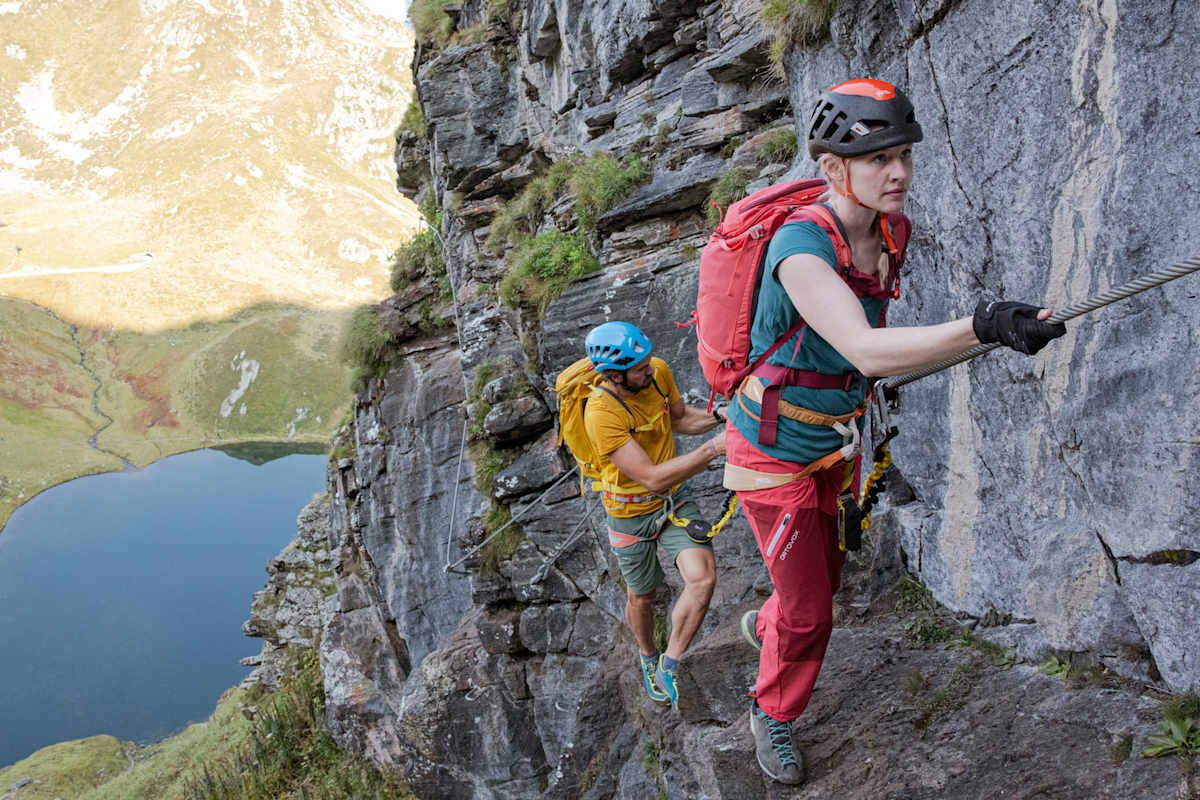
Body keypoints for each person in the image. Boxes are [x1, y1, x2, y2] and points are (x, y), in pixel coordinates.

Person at [724, 79, 1067, 785]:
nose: (900, 172)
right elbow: (866, 349)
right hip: (773, 451)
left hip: (833, 440)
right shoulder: (799, 248)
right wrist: (984, 325)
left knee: (827, 576)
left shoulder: (887, 232)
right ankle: (771, 708)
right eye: (880, 158)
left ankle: (769, 625)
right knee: (812, 608)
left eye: (904, 154)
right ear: (832, 170)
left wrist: (1001, 332)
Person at [582, 321, 728, 707]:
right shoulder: (600, 412)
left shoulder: (657, 373)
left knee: (702, 580)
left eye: (648, 361)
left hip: (673, 502)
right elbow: (649, 478)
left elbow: (679, 418)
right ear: (615, 376)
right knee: (642, 596)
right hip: (629, 513)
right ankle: (647, 653)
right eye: (640, 368)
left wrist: (722, 418)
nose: (651, 368)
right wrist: (714, 449)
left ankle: (670, 662)